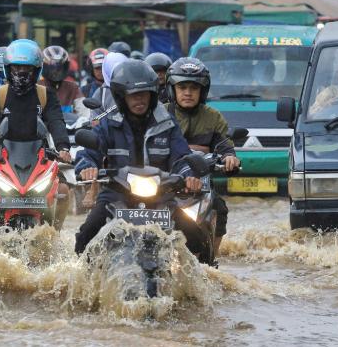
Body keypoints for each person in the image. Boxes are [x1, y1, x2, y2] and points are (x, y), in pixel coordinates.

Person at [73, 59, 202, 255]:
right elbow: (89, 152)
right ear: (121, 96)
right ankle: (80, 279)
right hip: (117, 193)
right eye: (133, 95)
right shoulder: (109, 124)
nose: (139, 100)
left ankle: (208, 277)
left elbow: (182, 157)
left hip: (161, 193)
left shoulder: (167, 123)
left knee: (195, 235)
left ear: (152, 95)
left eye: (144, 94)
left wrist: (190, 176)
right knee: (87, 232)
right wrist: (87, 167)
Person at [0, 39, 73, 227]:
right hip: (3, 157)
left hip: (41, 158)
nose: (22, 73)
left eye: (28, 69)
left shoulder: (45, 95)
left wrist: (63, 147)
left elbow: (57, 122)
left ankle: (54, 233)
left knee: (64, 191)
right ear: (8, 69)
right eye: (17, 68)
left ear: (37, 70)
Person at [165, 57, 240, 256]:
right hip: (164, 184)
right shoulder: (159, 115)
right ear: (172, 89)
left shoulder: (213, 117)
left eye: (194, 88)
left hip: (202, 184)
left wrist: (230, 158)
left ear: (202, 91)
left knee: (220, 208)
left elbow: (225, 146)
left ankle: (212, 259)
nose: (188, 93)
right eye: (182, 87)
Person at [42, 45, 83, 112]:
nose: (56, 71)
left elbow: (83, 109)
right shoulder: (36, 87)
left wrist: (85, 118)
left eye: (60, 68)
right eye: (52, 68)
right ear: (44, 67)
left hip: (68, 122)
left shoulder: (73, 88)